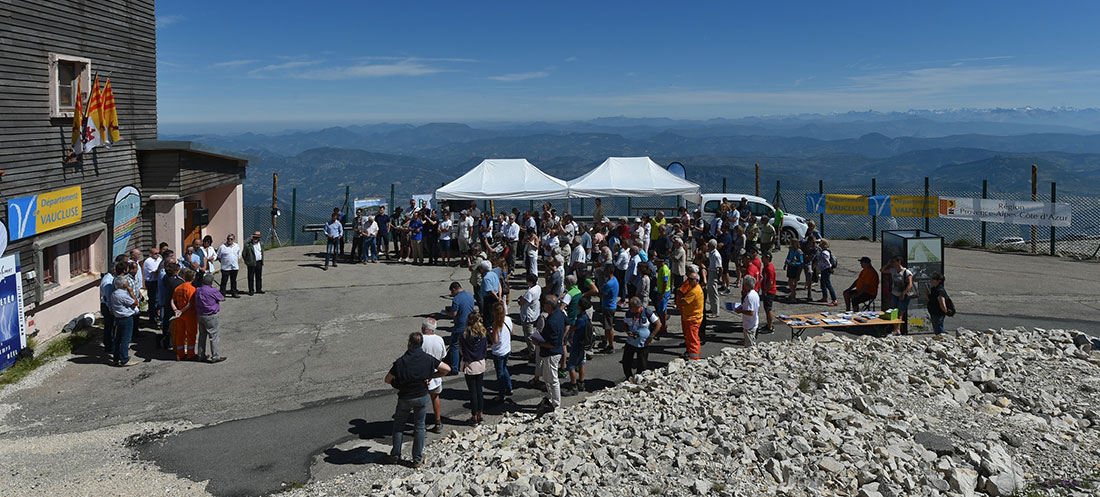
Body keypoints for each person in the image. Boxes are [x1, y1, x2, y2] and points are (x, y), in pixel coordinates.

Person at [384, 332, 450, 467]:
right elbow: (447, 369)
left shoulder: (400, 362)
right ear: (421, 344)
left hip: (405, 397)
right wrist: (432, 375)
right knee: (419, 427)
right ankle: (417, 458)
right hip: (422, 396)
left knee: (398, 427)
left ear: (409, 343)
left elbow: (387, 380)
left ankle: (395, 455)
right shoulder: (427, 359)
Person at [179, 273, 227, 363]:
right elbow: (221, 298)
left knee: (202, 335)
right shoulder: (213, 291)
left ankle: (201, 355)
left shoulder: (198, 290)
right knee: (214, 336)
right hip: (211, 315)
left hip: (200, 315)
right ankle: (215, 356)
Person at [533, 295, 565, 416]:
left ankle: (556, 404)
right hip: (552, 352)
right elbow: (568, 325)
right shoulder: (559, 314)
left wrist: (538, 342)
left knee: (552, 379)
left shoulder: (552, 321)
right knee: (547, 378)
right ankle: (551, 399)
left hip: (552, 353)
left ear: (549, 306)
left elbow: (552, 344)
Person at [459, 311, 488, 425]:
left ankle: (474, 416)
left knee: (473, 392)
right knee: (479, 390)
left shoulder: (465, 335)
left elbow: (461, 350)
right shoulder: (483, 333)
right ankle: (480, 415)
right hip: (480, 363)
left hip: (470, 364)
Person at [418, 318, 447, 433]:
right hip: (436, 375)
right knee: (435, 397)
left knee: (421, 401)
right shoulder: (439, 339)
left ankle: (420, 424)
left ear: (423, 328)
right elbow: (443, 355)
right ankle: (438, 421)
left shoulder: (420, 340)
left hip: (421, 376)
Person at [621, 297, 659, 378]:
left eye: (631, 307)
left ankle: (640, 379)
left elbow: (658, 324)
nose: (629, 308)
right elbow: (624, 324)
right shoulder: (628, 313)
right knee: (626, 362)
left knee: (642, 364)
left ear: (637, 306)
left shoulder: (647, 312)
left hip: (643, 344)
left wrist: (651, 337)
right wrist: (628, 332)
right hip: (631, 342)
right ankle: (629, 378)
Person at [109, 275, 140, 367]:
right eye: (126, 282)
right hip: (126, 318)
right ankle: (124, 359)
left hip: (118, 318)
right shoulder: (123, 295)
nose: (128, 283)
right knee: (125, 339)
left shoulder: (114, 293)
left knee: (118, 339)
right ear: (123, 285)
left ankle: (116, 358)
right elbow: (135, 302)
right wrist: (131, 293)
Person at [445, 281, 476, 372]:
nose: (452, 294)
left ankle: (454, 368)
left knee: (454, 345)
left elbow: (454, 314)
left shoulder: (456, 299)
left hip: (460, 326)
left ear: (454, 290)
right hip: (470, 324)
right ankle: (468, 364)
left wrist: (447, 313)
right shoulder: (470, 296)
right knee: (468, 345)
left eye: (452, 292)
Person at [563, 298, 591, 396]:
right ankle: (581, 383)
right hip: (582, 344)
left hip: (577, 344)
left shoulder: (580, 320)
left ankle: (573, 386)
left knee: (571, 366)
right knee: (581, 363)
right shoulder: (586, 317)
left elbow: (573, 328)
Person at [676, 265, 704, 360]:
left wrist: (681, 298)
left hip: (692, 319)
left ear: (696, 281)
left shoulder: (694, 291)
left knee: (692, 340)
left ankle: (694, 360)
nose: (689, 280)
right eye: (689, 278)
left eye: (691, 279)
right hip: (690, 317)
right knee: (691, 339)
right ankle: (693, 356)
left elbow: (683, 301)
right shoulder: (695, 288)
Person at [171, 269, 199, 360]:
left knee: (180, 334)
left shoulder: (178, 288)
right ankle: (190, 354)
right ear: (193, 278)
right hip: (189, 315)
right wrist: (182, 311)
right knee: (191, 334)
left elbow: (172, 300)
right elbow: (190, 304)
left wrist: (176, 310)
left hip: (179, 315)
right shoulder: (192, 289)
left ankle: (180, 354)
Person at [882, 256, 915, 335]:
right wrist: (888, 264)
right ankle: (896, 329)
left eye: (894, 262)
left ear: (899, 261)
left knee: (900, 313)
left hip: (903, 295)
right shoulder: (893, 270)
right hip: (894, 294)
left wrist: (903, 293)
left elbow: (910, 285)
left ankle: (896, 330)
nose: (893, 263)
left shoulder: (906, 272)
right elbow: (882, 270)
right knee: (894, 312)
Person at [489, 300, 513, 402]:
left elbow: (495, 341)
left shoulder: (496, 325)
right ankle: (509, 388)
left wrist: (490, 334)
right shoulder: (508, 319)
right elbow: (512, 332)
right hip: (507, 349)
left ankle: (501, 394)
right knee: (504, 368)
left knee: (500, 373)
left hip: (498, 352)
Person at [99, 261, 124, 352]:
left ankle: (111, 345)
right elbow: (107, 297)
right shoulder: (108, 281)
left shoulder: (111, 278)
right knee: (110, 327)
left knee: (112, 327)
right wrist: (110, 309)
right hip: (108, 307)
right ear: (114, 270)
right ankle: (109, 346)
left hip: (109, 306)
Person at [159, 262, 184, 350]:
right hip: (175, 305)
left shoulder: (166, 278)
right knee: (174, 324)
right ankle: (171, 341)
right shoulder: (177, 282)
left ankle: (166, 340)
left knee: (167, 322)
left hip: (168, 303)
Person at [517, 273, 542, 362]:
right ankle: (531, 348)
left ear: (530, 282)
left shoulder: (530, 292)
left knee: (529, 335)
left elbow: (522, 302)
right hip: (535, 313)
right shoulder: (537, 287)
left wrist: (519, 300)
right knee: (534, 333)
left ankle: (532, 352)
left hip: (528, 315)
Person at [598, 264, 619, 354]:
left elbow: (602, 294)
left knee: (608, 327)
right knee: (606, 326)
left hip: (608, 307)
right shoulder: (614, 280)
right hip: (611, 305)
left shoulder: (609, 284)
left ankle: (611, 345)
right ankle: (606, 341)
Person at [734, 275, 760, 347]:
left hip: (749, 325)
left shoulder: (749, 296)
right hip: (752, 323)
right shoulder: (755, 294)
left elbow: (751, 312)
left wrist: (741, 311)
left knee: (750, 346)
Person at [759, 252, 778, 334]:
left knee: (768, 309)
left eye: (763, 257)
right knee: (766, 308)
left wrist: (765, 291)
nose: (761, 259)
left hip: (769, 291)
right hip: (768, 290)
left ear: (768, 258)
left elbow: (770, 282)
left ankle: (770, 327)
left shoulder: (769, 268)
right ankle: (768, 324)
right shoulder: (767, 267)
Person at [816, 239, 839, 306]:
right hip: (823, 269)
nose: (819, 244)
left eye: (820, 243)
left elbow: (827, 262)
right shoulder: (823, 251)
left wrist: (830, 268)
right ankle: (824, 297)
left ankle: (834, 300)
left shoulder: (824, 253)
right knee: (823, 283)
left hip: (826, 269)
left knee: (828, 284)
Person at [653, 257, 672, 340]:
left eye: (658, 260)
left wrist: (662, 294)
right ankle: (663, 325)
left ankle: (663, 327)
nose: (656, 262)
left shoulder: (664, 269)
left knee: (662, 311)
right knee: (662, 310)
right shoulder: (662, 268)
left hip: (663, 292)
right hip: (662, 291)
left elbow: (665, 282)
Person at [142, 247, 162, 327]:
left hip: (157, 282)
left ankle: (157, 315)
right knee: (153, 300)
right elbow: (155, 272)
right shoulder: (148, 261)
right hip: (151, 282)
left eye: (158, 253)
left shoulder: (159, 259)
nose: (157, 255)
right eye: (155, 253)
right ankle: (152, 317)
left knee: (158, 300)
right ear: (150, 254)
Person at [705, 240, 721, 318]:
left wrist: (718, 278)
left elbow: (720, 267)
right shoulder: (711, 253)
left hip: (714, 273)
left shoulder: (716, 255)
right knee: (710, 292)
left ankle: (716, 312)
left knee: (714, 293)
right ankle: (712, 308)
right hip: (710, 271)